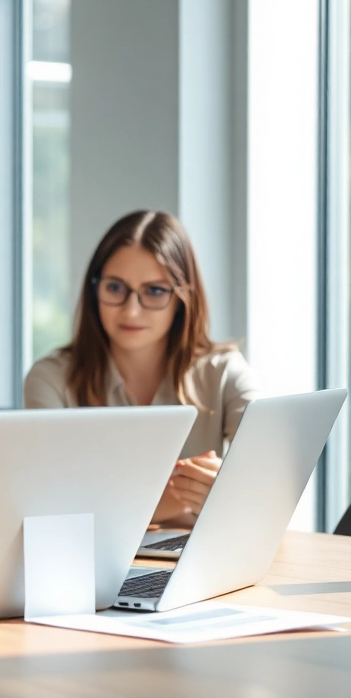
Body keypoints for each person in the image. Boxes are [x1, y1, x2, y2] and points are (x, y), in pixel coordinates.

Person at [23, 209, 259, 525]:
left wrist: (236, 492)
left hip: (199, 562)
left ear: (182, 298)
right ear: (95, 290)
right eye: (115, 288)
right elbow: (54, 509)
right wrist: (182, 493)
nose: (131, 311)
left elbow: (270, 486)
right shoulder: (51, 379)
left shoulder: (223, 371)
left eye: (155, 291)